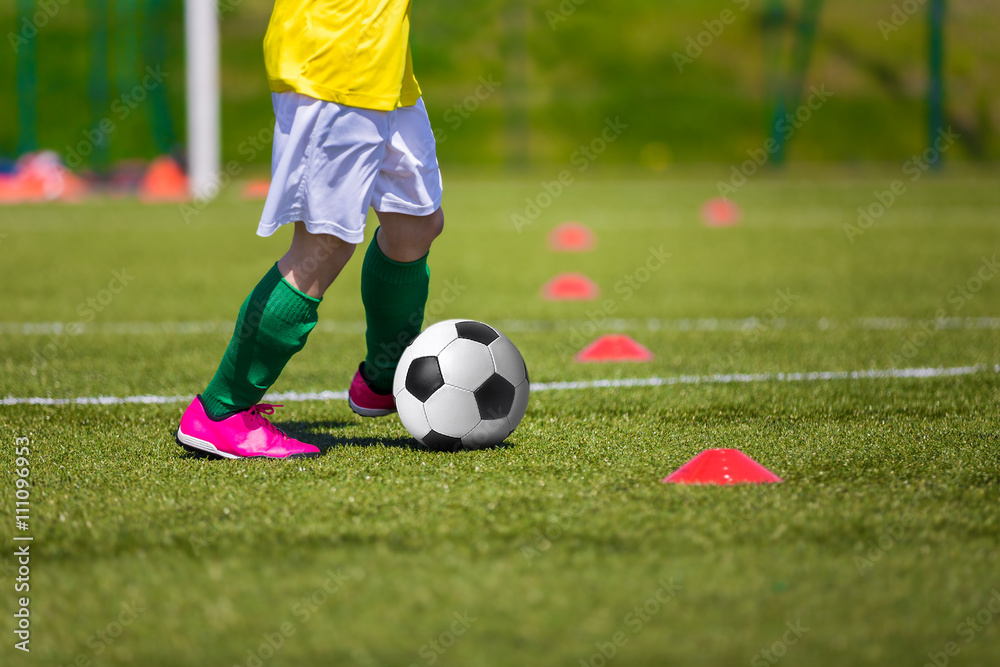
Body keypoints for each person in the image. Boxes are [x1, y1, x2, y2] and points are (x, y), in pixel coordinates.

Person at [176, 0, 443, 459]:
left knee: (415, 224)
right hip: (335, 58)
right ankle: (221, 411)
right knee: (324, 243)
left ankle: (382, 378)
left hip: (385, 60)